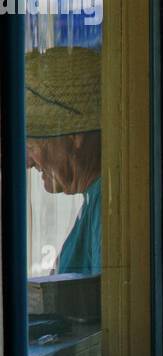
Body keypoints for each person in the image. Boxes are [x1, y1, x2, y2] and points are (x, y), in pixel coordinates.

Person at [25, 46, 102, 276]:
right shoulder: (95, 201)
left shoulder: (107, 203)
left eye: (33, 145)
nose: (29, 163)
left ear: (75, 136)